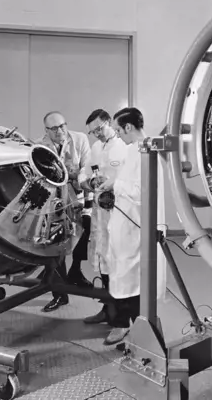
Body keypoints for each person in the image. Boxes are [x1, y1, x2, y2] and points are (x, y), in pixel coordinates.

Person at [96, 106, 167, 346]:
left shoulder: (146, 151)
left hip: (135, 229)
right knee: (124, 277)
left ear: (128, 127)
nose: (118, 134)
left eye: (119, 129)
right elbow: (128, 180)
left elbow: (141, 191)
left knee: (135, 284)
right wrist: (111, 182)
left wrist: (115, 187)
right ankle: (130, 331)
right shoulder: (135, 150)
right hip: (124, 226)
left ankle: (143, 339)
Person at [37, 111, 92, 312]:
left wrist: (75, 178)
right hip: (52, 202)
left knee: (85, 228)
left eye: (62, 126)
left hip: (78, 194)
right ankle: (60, 294)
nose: (60, 131)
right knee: (55, 241)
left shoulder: (80, 139)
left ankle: (76, 271)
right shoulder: (39, 147)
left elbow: (86, 167)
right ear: (46, 131)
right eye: (54, 128)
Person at [81, 109, 128, 325]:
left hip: (118, 213)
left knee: (117, 265)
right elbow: (85, 172)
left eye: (99, 129)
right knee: (102, 261)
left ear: (109, 122)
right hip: (100, 212)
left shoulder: (124, 148)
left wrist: (112, 186)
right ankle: (107, 309)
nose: (97, 134)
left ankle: (120, 319)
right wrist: (88, 182)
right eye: (93, 132)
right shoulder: (96, 147)